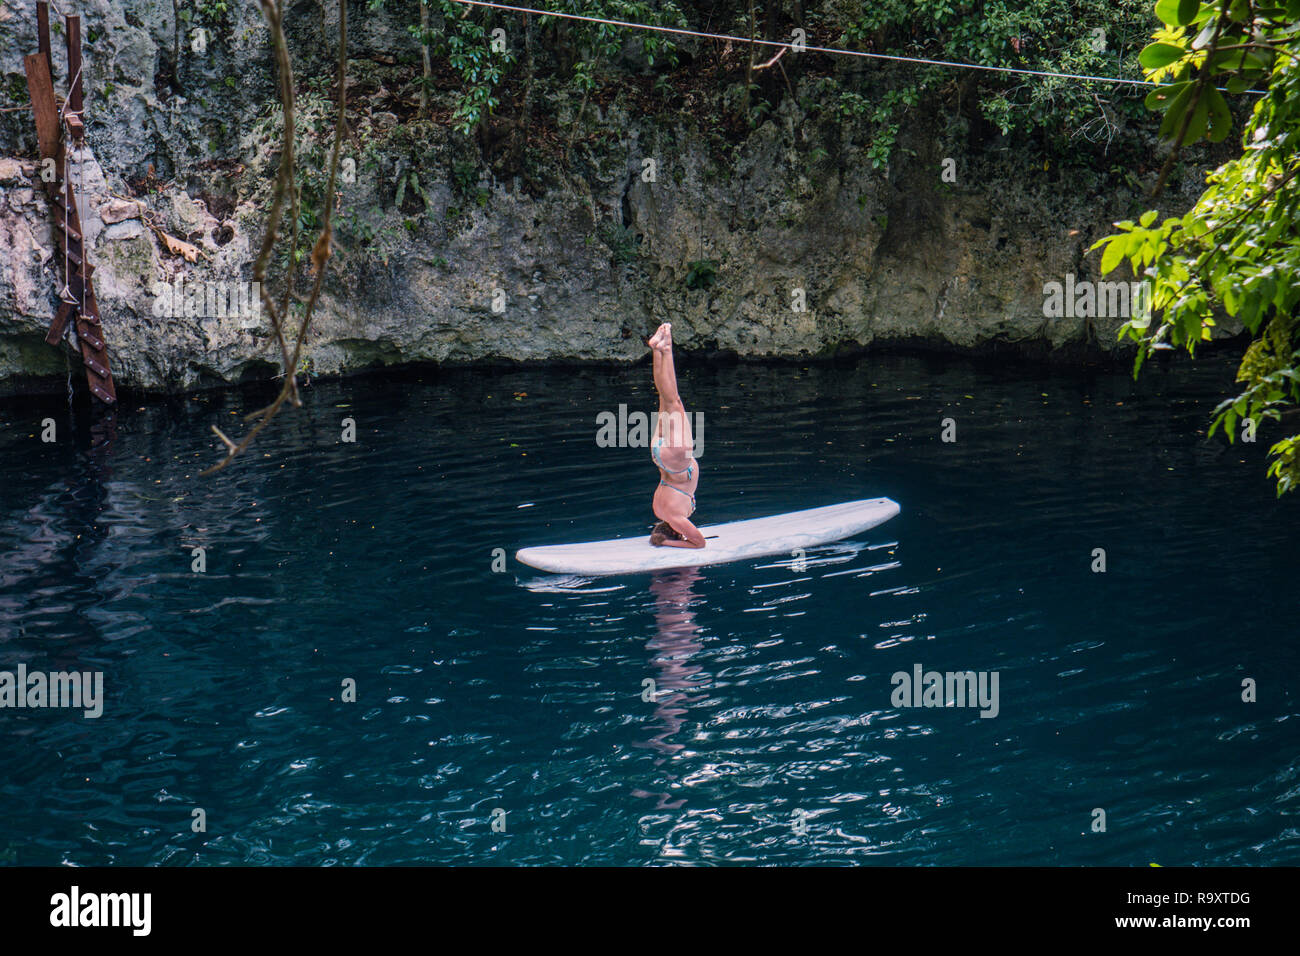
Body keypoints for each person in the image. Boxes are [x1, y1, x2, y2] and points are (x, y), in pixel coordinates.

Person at [647, 323, 705, 548]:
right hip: (658, 455)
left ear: (676, 532)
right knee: (665, 397)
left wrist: (666, 543)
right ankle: (660, 349)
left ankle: (664, 347)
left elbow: (699, 544)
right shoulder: (659, 510)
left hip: (677, 461)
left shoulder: (675, 518)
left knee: (673, 400)